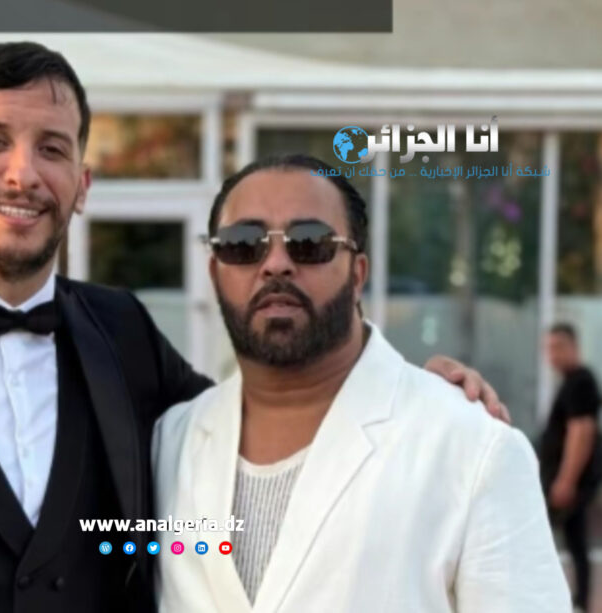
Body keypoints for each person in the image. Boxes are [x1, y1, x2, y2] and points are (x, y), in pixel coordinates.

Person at [0, 43, 502, 613]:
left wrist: (405, 391)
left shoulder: (122, 330)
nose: (22, 173)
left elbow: (263, 417)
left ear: (81, 184)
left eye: (51, 148)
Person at [152, 154, 571, 612]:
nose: (275, 264)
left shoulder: (471, 446)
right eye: (243, 243)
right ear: (215, 272)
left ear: (357, 274)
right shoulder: (168, 442)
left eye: (309, 242)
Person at [541, 323, 602, 613]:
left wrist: (566, 480)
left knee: (561, 540)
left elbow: (582, 431)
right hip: (563, 480)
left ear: (573, 347)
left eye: (558, 347)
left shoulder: (581, 382)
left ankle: (579, 602)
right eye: (548, 348)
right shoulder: (570, 382)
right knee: (574, 541)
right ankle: (579, 601)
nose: (552, 355)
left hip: (569, 483)